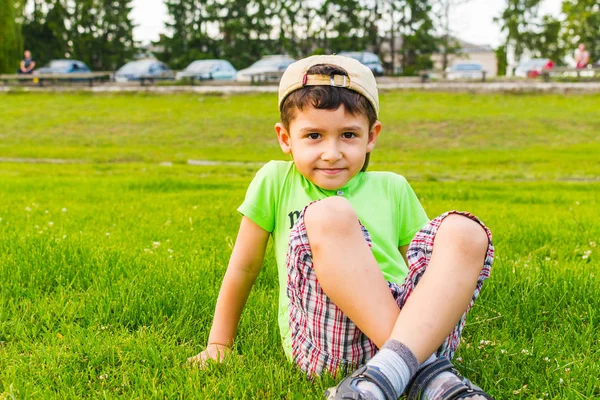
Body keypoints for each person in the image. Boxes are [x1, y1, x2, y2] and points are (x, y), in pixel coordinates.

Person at [188, 55, 495, 400]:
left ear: (371, 136)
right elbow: (243, 267)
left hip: (411, 330)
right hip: (329, 337)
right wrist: (219, 343)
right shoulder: (275, 181)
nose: (332, 153)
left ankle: (385, 376)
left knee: (465, 230)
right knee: (330, 214)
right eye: (314, 135)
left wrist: (429, 320)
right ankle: (426, 375)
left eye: (348, 134)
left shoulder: (392, 186)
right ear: (286, 138)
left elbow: (427, 269)